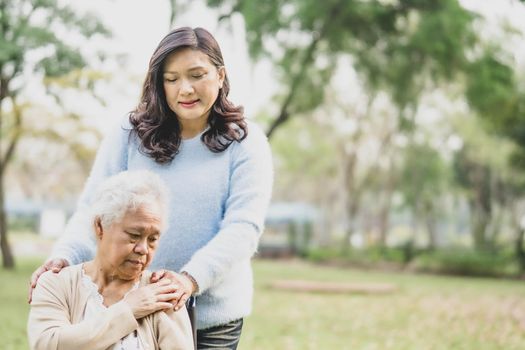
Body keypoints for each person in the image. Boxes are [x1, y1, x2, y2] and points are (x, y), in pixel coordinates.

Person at [29, 26, 273, 349]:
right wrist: (63, 256)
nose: (185, 89)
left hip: (213, 316)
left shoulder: (245, 142)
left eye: (197, 75)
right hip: (132, 306)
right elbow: (93, 208)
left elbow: (243, 228)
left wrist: (188, 280)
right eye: (171, 79)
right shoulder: (129, 134)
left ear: (220, 75)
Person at [27, 170, 194, 350]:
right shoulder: (55, 284)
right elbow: (48, 344)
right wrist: (128, 310)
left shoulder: (163, 294)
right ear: (100, 226)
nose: (143, 249)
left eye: (153, 239)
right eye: (134, 235)